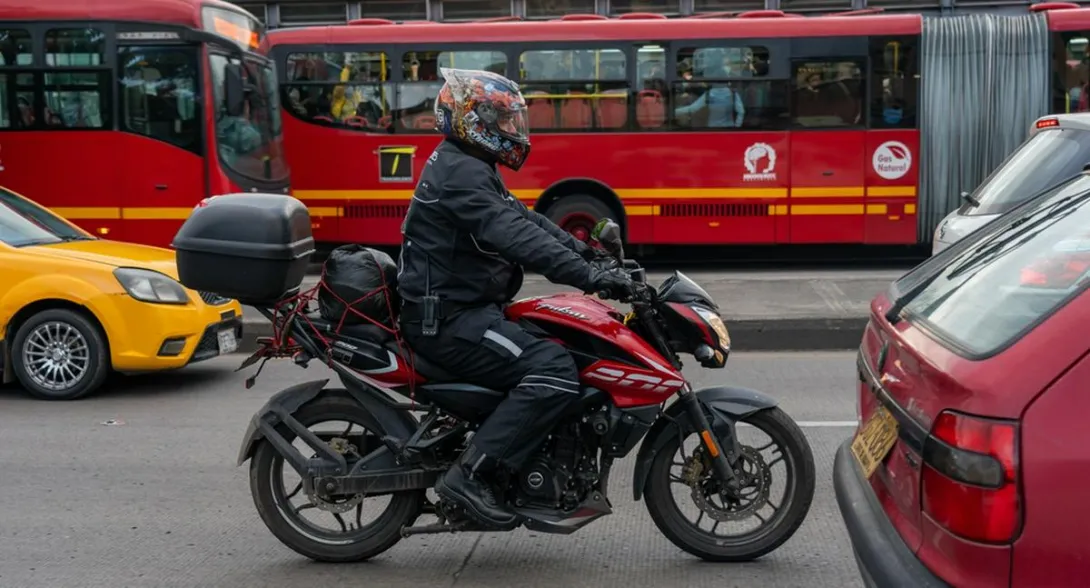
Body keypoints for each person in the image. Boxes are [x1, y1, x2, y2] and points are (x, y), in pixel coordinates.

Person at [396, 68, 632, 530]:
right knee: (554, 371)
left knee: (560, 346)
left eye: (511, 122)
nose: (512, 130)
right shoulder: (461, 172)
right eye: (503, 121)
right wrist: (589, 275)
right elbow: (514, 238)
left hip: (464, 308)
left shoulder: (467, 163)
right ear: (473, 119)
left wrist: (592, 257)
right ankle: (470, 477)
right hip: (448, 321)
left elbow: (526, 221)